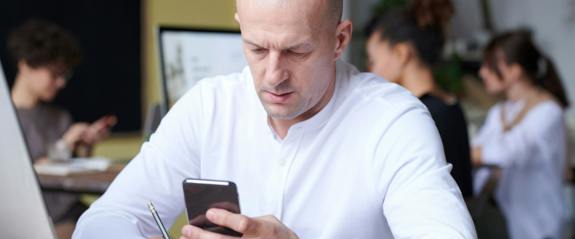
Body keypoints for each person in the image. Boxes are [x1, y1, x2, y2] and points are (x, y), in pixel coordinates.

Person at [73, 0, 476, 238]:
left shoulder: (393, 121)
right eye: (256, 48)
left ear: (339, 40)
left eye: (297, 52)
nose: (273, 75)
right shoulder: (208, 106)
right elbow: (105, 219)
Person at [7, 20, 116, 237]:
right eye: (54, 74)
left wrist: (85, 144)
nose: (60, 83)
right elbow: (16, 177)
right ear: (26, 65)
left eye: (64, 75)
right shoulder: (6, 119)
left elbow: (72, 173)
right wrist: (64, 144)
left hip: (72, 211)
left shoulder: (60, 117)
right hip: (39, 215)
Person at [365, 0, 474, 198]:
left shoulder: (416, 117)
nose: (369, 70)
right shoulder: (449, 106)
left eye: (373, 60)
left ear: (401, 53)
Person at [472, 30, 570, 239]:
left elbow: (510, 150)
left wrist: (468, 153)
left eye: (490, 66)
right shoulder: (499, 112)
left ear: (514, 71)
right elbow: (480, 151)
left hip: (543, 225)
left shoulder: (548, 111)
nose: (482, 73)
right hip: (512, 220)